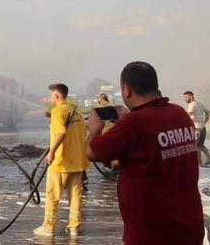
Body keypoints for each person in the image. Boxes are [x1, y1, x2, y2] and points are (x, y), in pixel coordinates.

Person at [86, 62, 204, 245]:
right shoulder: (179, 113)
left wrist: (94, 129)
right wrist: (127, 120)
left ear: (126, 90)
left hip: (152, 234)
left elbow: (91, 152)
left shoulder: (135, 123)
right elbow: (151, 140)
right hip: (188, 228)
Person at [34, 84, 90, 238]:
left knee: (53, 195)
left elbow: (60, 133)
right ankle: (74, 228)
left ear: (57, 96)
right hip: (78, 159)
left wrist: (51, 152)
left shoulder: (58, 111)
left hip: (61, 160)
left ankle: (48, 227)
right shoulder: (75, 109)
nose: (50, 98)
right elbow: (85, 130)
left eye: (51, 95)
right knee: (76, 195)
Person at [183, 90, 210, 165]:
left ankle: (199, 163)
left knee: (197, 146)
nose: (185, 99)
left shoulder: (192, 104)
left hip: (197, 128)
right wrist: (204, 121)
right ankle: (209, 158)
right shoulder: (199, 104)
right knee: (201, 145)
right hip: (202, 127)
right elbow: (208, 112)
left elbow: (188, 115)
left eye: (186, 97)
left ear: (191, 96)